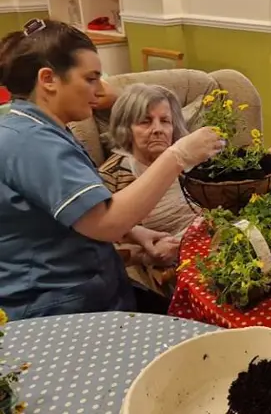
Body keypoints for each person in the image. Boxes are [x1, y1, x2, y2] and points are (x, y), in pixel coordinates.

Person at [0, 19, 224, 319]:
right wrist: (178, 155)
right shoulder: (32, 143)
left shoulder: (42, 129)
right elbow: (106, 223)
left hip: (99, 290)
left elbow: (77, 215)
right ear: (48, 79)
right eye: (91, 78)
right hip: (60, 310)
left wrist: (135, 235)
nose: (100, 90)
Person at [98, 83, 271, 299]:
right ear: (126, 128)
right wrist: (145, 256)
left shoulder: (193, 159)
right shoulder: (112, 174)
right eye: (145, 121)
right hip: (180, 268)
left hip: (223, 241)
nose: (158, 129)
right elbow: (103, 245)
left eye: (165, 121)